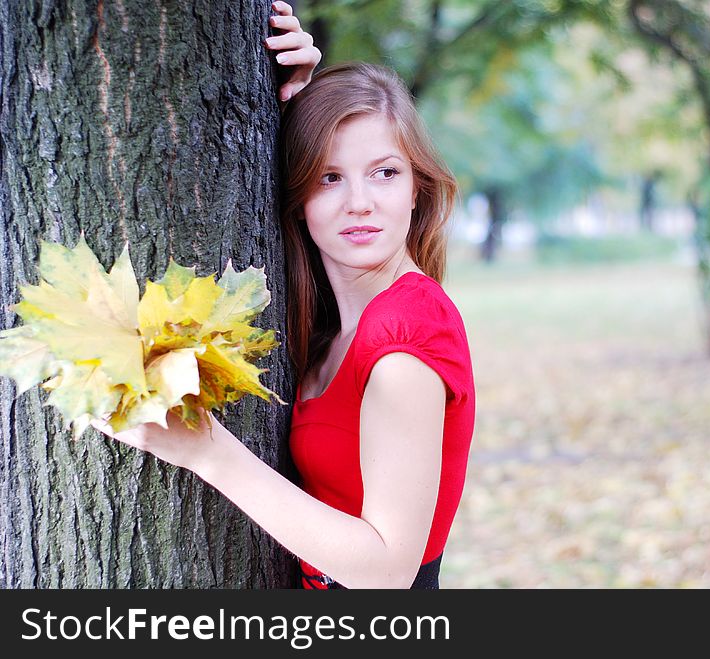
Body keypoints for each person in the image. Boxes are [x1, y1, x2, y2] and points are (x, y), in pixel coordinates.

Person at [91, 1, 476, 590]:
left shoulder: (406, 338)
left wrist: (209, 453)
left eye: (385, 172)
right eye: (329, 176)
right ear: (298, 193)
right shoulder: (329, 320)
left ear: (419, 190)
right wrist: (284, 97)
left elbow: (388, 572)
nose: (360, 202)